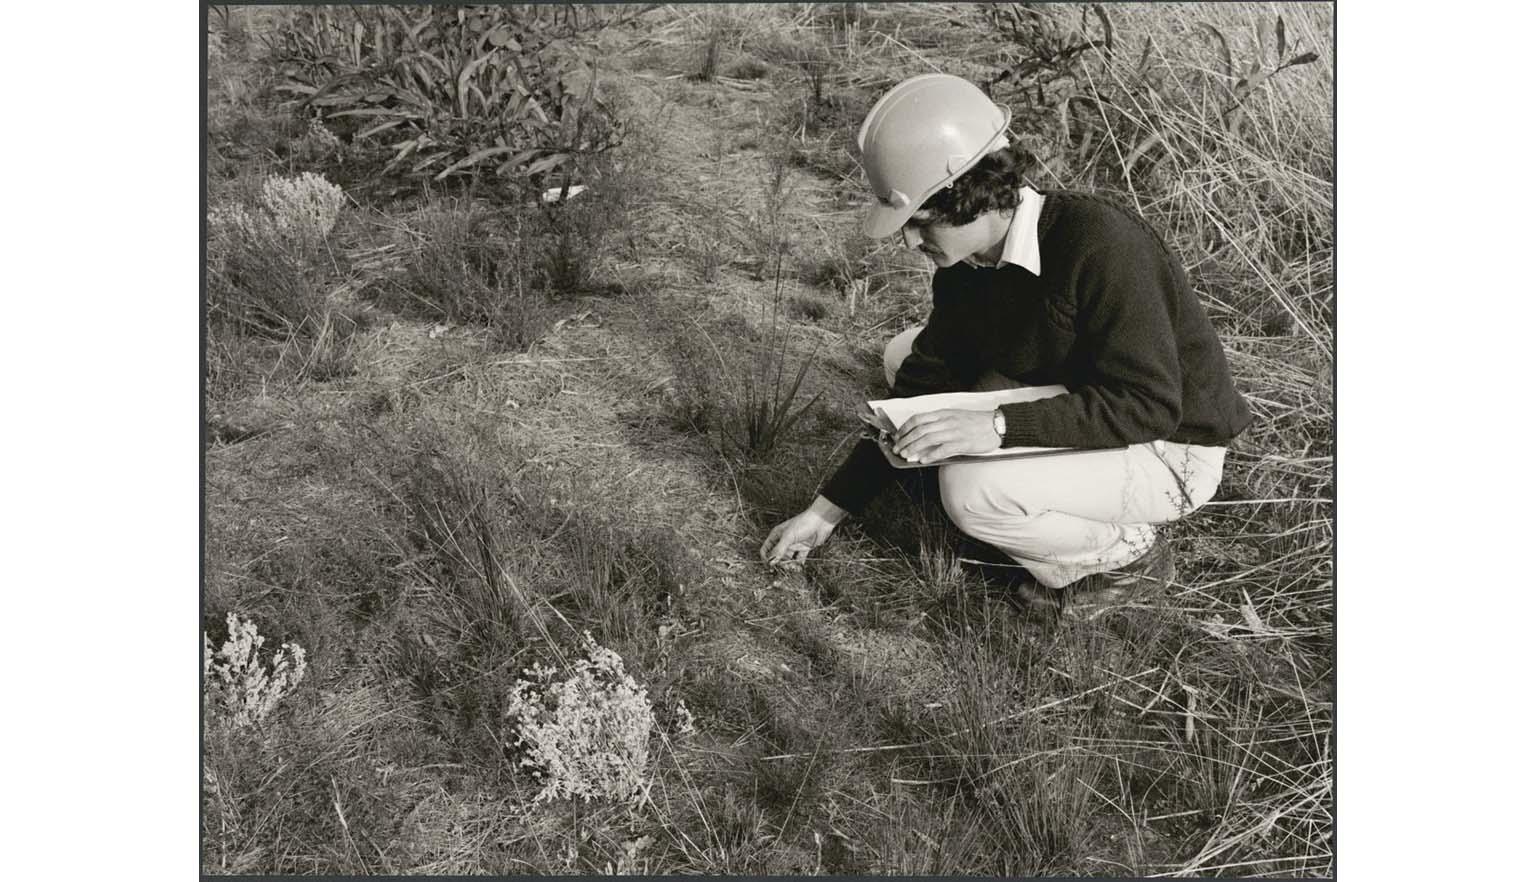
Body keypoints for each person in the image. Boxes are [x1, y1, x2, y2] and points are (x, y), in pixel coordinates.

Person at [759, 73, 1253, 609]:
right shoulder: (968, 265)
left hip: (1169, 448)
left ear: (972, 195)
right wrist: (824, 512)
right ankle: (1024, 484)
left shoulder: (1101, 246)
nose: (908, 240)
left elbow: (1151, 405)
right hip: (1082, 391)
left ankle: (1122, 558)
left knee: (970, 494)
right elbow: (928, 378)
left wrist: (995, 428)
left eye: (921, 221)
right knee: (903, 357)